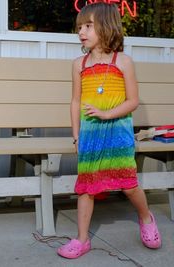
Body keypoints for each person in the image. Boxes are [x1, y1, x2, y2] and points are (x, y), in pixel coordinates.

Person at [57, 2, 161, 259]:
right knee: (86, 187)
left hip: (117, 132)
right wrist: (76, 134)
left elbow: (132, 101)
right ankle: (82, 240)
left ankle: (146, 217)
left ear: (107, 26)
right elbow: (75, 101)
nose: (82, 31)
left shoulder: (123, 61)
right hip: (90, 134)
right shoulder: (78, 64)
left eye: (89, 26)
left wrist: (106, 113)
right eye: (79, 27)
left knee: (127, 184)